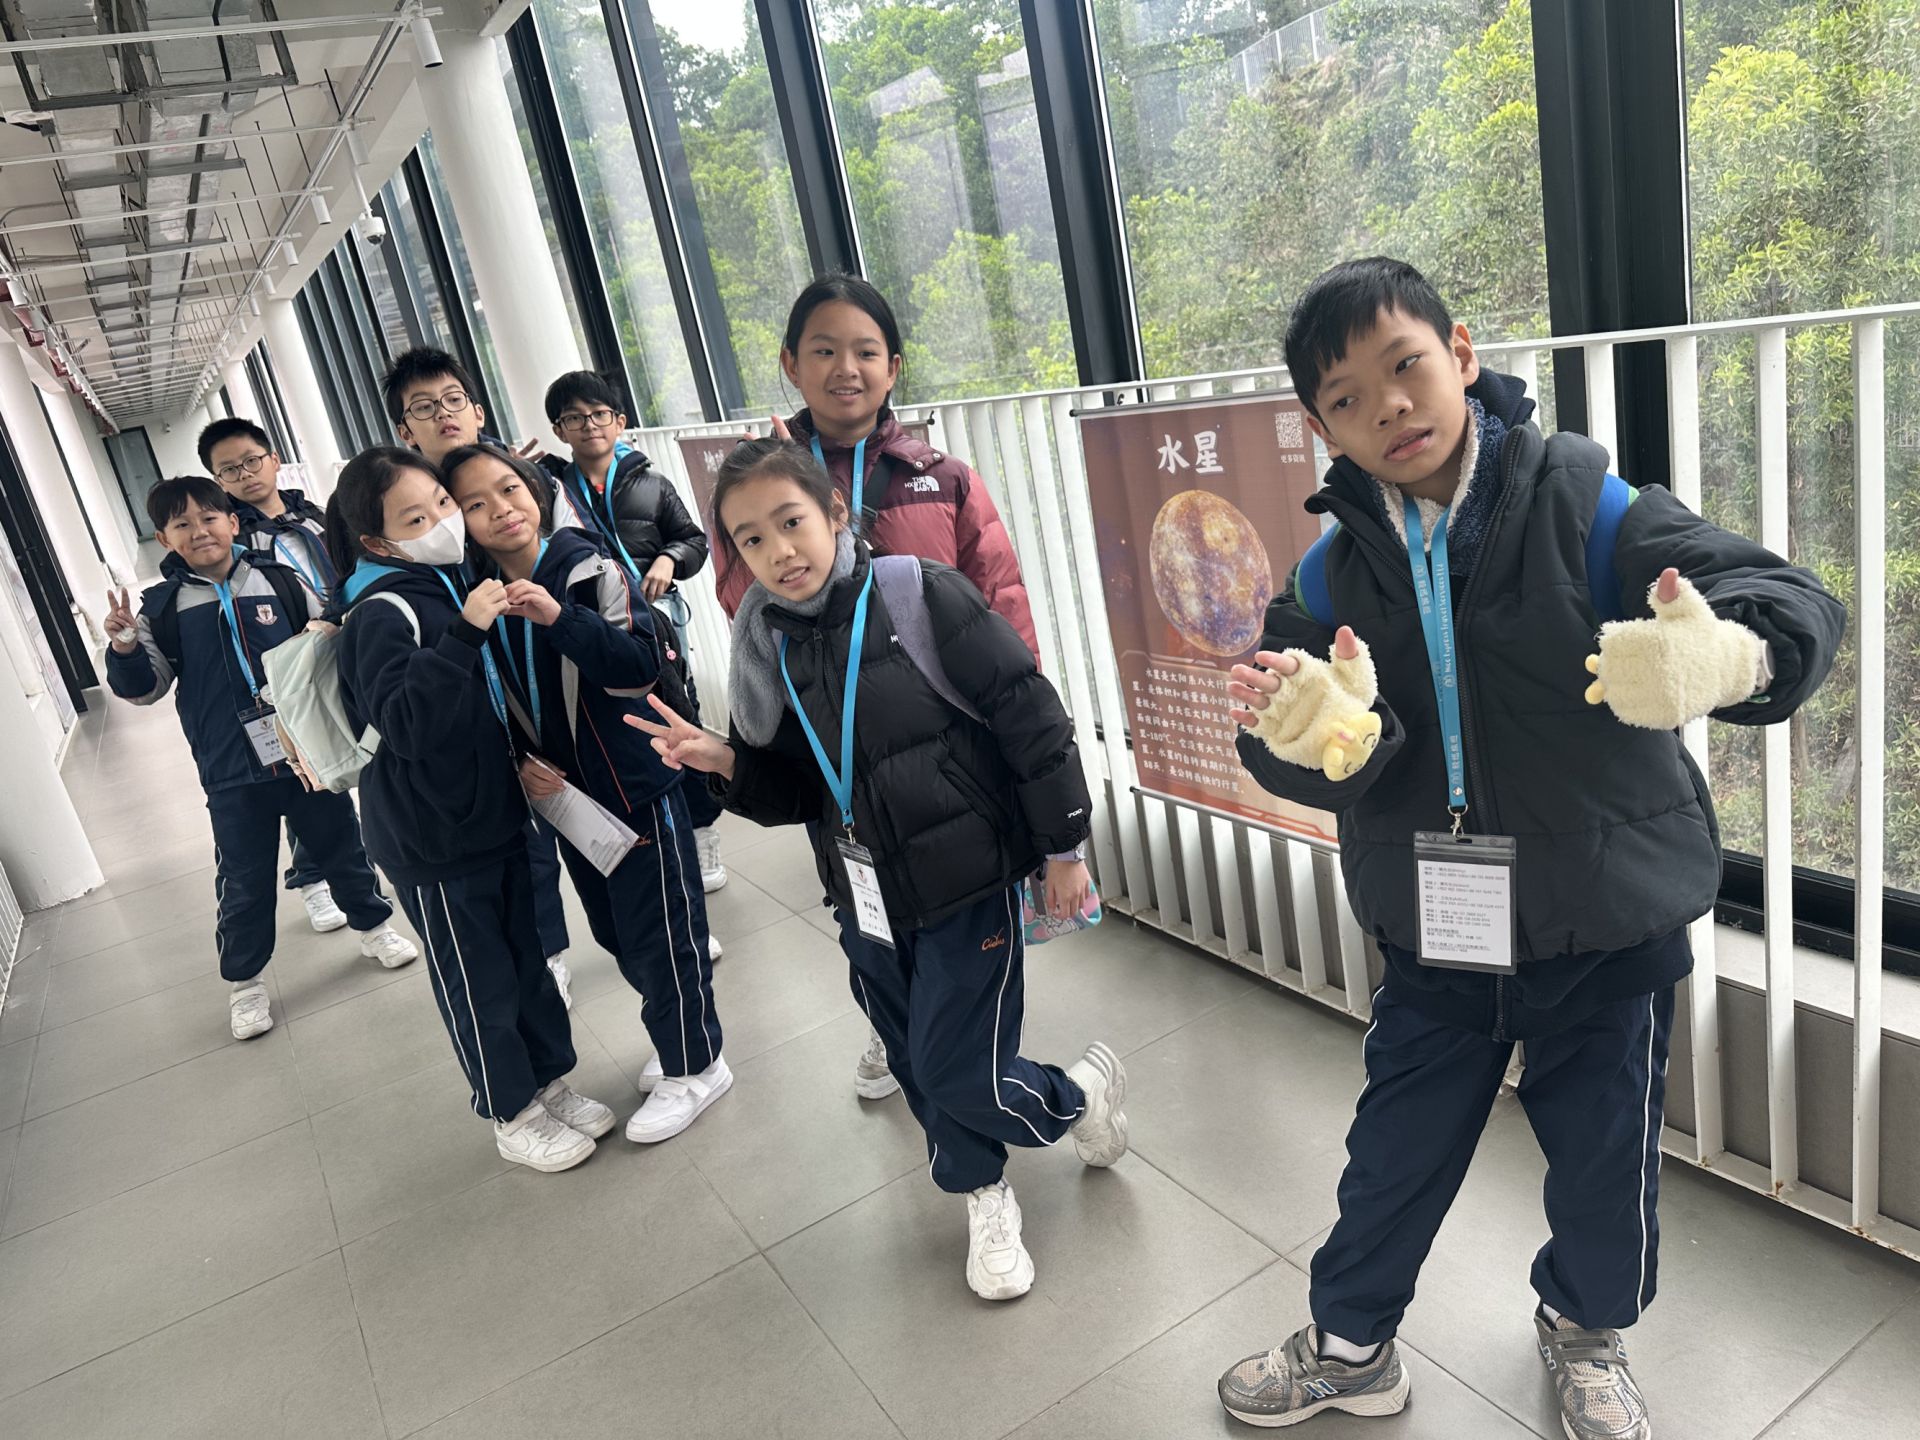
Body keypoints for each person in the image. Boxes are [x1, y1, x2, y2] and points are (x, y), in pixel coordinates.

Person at [1215, 258, 1845, 1437]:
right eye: (1348, 398)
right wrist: (1308, 736)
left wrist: (1733, 656)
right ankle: (1351, 1347)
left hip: (1601, 918)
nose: (1389, 407)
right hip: (1435, 927)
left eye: (1405, 366)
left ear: (1460, 353)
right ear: (1320, 427)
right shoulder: (1329, 569)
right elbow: (1276, 728)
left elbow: (1791, 599)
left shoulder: (1590, 504)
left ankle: (1585, 1332)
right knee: (1393, 1151)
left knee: (1605, 1164)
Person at [631, 438, 1126, 1301]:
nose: (780, 552)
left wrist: (1063, 850)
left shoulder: (919, 593)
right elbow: (798, 793)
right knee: (911, 1058)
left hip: (967, 884)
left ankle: (1077, 1094)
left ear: (834, 513)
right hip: (863, 895)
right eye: (752, 539)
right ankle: (982, 1189)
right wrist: (726, 761)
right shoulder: (769, 645)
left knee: (955, 1066)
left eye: (791, 522)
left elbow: (1031, 717)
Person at [721, 274, 1043, 1096]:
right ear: (790, 364)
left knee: (961, 918)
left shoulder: (942, 476)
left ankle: (975, 1065)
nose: (846, 369)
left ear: (894, 366)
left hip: (942, 748)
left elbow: (999, 598)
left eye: (865, 351)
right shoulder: (761, 481)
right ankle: (899, 1029)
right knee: (870, 910)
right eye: (823, 351)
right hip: (836, 747)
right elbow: (741, 600)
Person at [323, 445, 614, 1173]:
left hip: (494, 818)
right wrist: (464, 633)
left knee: (527, 966)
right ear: (378, 541)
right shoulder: (380, 612)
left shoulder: (445, 584)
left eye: (444, 505)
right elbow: (406, 724)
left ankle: (548, 1082)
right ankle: (512, 1112)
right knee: (480, 981)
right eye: (416, 519)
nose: (444, 522)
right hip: (435, 840)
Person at [446, 443, 727, 1142]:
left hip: (634, 785)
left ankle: (697, 1064)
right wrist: (520, 760)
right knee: (616, 931)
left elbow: (639, 667)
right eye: (475, 504)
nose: (500, 510)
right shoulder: (476, 596)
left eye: (509, 489)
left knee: (664, 934)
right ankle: (679, 1038)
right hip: (569, 803)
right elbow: (491, 698)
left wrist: (560, 620)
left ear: (536, 491)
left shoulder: (586, 566)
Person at [103, 476, 417, 1042]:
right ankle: (244, 982)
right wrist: (125, 646)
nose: (199, 531)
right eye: (182, 524)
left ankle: (375, 928)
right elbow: (145, 689)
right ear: (163, 539)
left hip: (305, 754)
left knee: (342, 847)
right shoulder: (162, 608)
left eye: (209, 518)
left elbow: (327, 641)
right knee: (243, 878)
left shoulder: (280, 580)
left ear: (232, 521)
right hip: (229, 769)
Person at [382, 346, 578, 1004]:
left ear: (477, 408)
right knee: (524, 835)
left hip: (546, 665)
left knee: (583, 803)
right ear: (405, 430)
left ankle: (648, 930)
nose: (443, 415)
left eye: (453, 400)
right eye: (422, 408)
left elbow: (574, 554)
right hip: (473, 687)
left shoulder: (521, 478)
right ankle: (548, 954)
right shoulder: (405, 501)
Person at [542, 370, 731, 908]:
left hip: (656, 623)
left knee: (678, 715)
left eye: (598, 414)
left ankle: (702, 830)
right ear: (559, 429)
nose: (589, 425)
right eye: (574, 417)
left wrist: (670, 558)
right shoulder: (552, 493)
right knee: (626, 725)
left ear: (619, 421)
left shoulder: (652, 483)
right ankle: (656, 834)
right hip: (595, 631)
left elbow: (693, 539)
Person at [200, 414, 347, 935]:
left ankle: (358, 859)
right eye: (230, 470)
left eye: (251, 461)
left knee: (350, 752)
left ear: (274, 458)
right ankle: (312, 878)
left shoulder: (316, 516)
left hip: (343, 640)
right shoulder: (234, 540)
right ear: (218, 480)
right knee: (304, 767)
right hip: (291, 664)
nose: (245, 474)